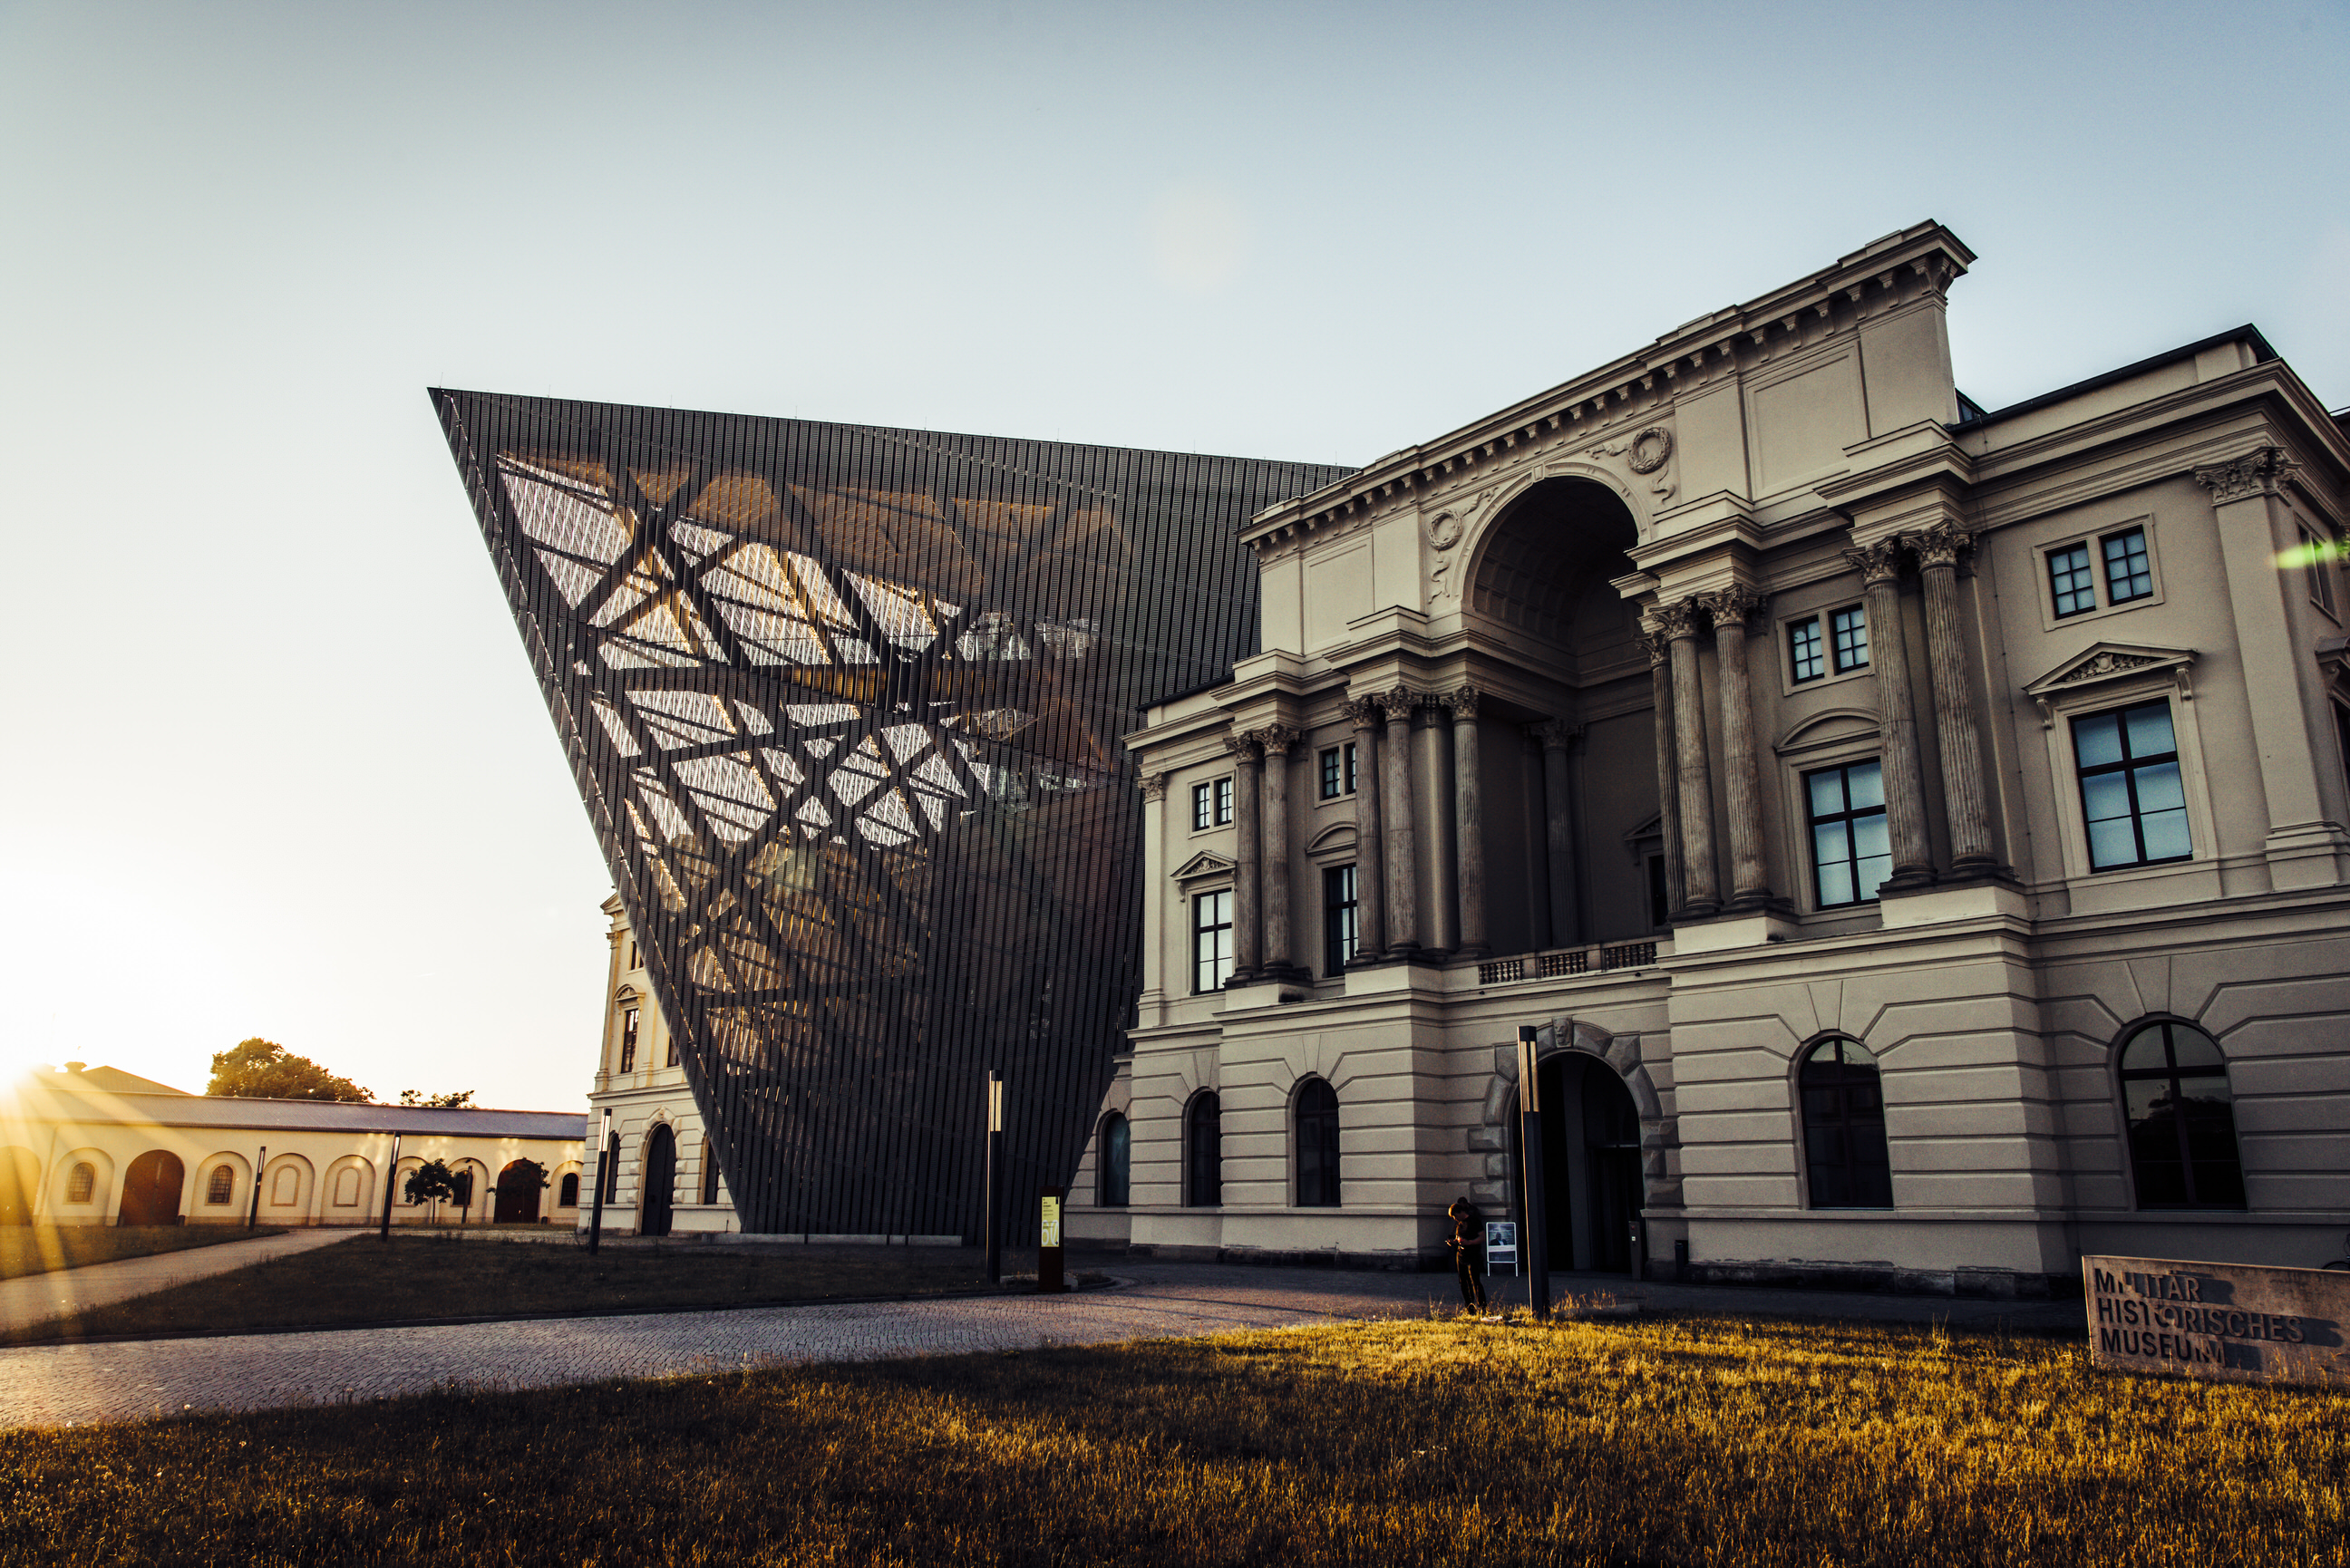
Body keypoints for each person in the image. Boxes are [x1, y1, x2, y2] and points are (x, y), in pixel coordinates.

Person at [1446, 1196, 1489, 1313]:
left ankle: (1482, 1305)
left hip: (1473, 1254)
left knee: (1475, 1280)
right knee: (1463, 1281)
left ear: (1460, 1212)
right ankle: (1469, 1306)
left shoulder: (1474, 1221)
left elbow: (1482, 1237)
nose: (1455, 1219)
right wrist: (1454, 1242)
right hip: (1461, 1255)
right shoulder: (1459, 1223)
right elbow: (1458, 1237)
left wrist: (1470, 1242)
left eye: (1455, 1216)